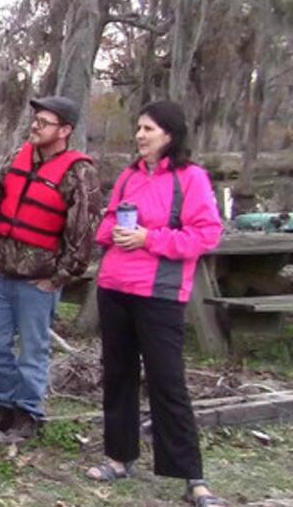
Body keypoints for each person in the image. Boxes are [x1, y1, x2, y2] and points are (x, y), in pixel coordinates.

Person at [87, 101, 225, 507]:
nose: (140, 135)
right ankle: (119, 456)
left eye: (148, 128)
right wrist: (115, 233)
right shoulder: (130, 176)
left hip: (160, 294)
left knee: (168, 381)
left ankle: (191, 476)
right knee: (117, 375)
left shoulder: (191, 178)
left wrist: (151, 239)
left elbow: (206, 235)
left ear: (170, 134)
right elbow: (108, 222)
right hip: (115, 288)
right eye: (138, 128)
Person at [0, 94, 99, 439]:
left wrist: (60, 277)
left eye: (44, 122)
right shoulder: (17, 158)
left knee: (32, 349)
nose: (35, 127)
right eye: (35, 120)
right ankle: (4, 405)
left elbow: (83, 230)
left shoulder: (79, 172)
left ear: (65, 130)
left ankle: (28, 411)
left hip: (39, 279)